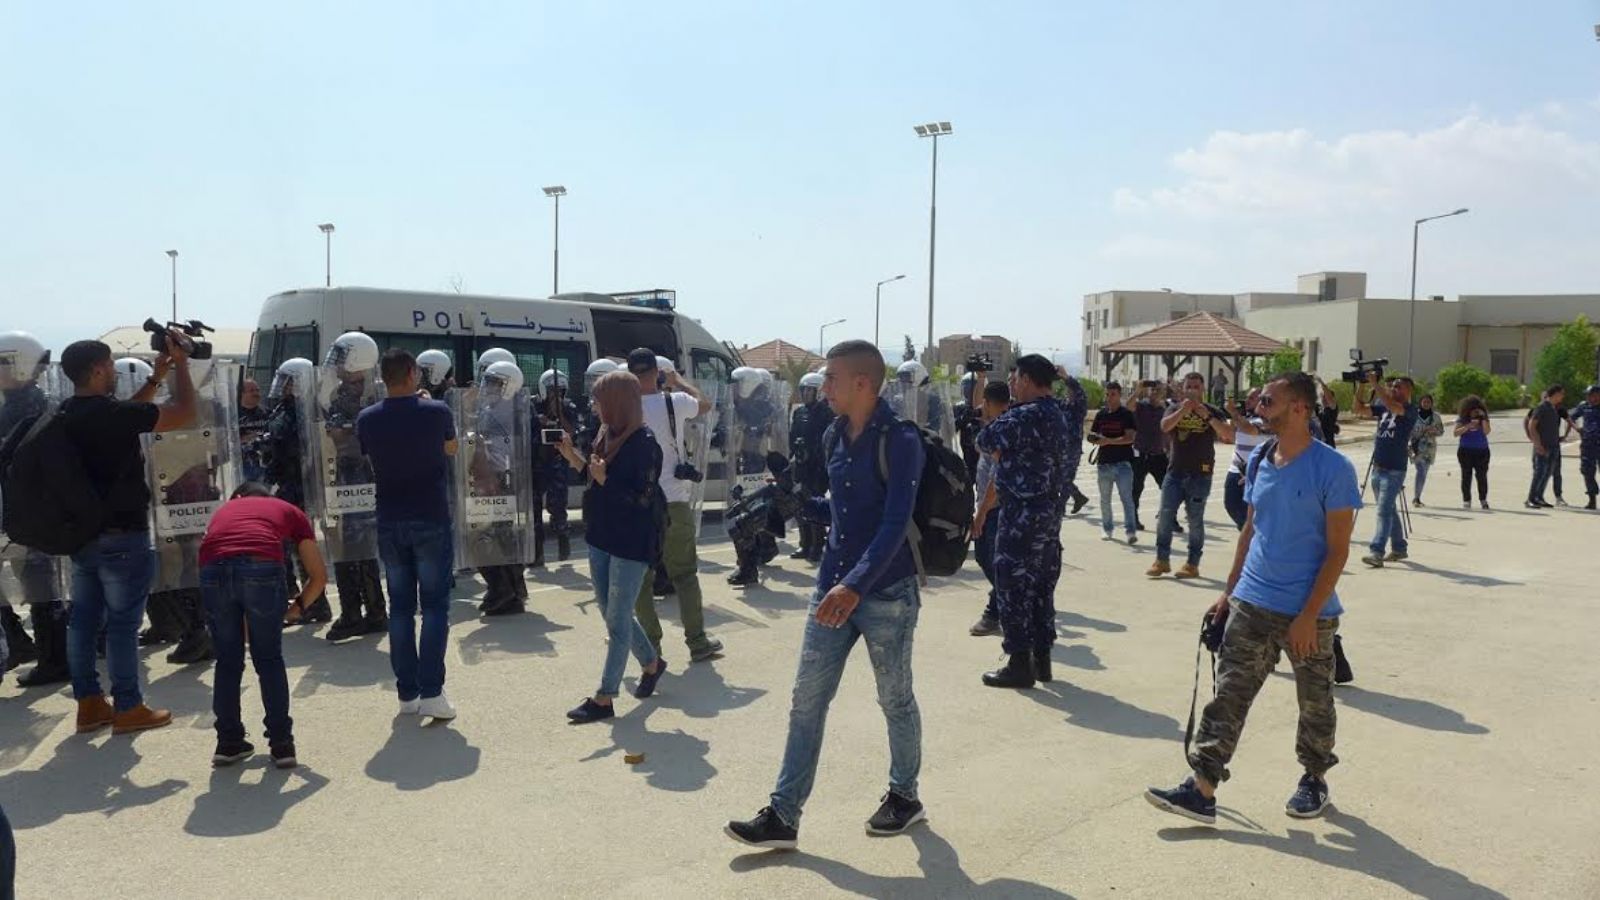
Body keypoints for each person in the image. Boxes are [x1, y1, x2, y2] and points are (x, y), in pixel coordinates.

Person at [725, 340, 926, 848]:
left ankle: (905, 796)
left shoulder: (901, 439)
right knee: (806, 701)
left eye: (832, 378)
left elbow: (894, 524)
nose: (822, 387)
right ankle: (783, 815)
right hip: (831, 588)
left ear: (863, 382)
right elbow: (838, 511)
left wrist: (854, 585)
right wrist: (787, 501)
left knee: (894, 698)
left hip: (885, 593)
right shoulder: (834, 433)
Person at [1146, 371, 1360, 826]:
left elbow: (1338, 551)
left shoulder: (1333, 469)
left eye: (1267, 402)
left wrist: (1308, 615)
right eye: (1259, 401)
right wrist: (1229, 592)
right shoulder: (1261, 457)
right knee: (1229, 696)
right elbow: (1250, 530)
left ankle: (1314, 778)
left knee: (1315, 702)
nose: (1257, 408)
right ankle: (1202, 788)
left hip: (1307, 612)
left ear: (1299, 408)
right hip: (1252, 600)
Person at [59, 336, 197, 734]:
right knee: (122, 625)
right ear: (98, 370)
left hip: (83, 536)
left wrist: (155, 378)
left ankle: (89, 705)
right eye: (110, 364)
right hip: (123, 536)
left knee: (83, 622)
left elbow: (129, 414)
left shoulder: (66, 413)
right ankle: (128, 707)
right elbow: (184, 413)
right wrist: (182, 366)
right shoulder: (113, 415)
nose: (114, 370)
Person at [556, 369, 666, 723]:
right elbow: (593, 476)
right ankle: (651, 663)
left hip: (630, 542)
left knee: (617, 622)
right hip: (600, 535)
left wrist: (606, 480)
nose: (594, 406)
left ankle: (604, 698)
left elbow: (643, 498)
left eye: (600, 400)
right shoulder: (606, 434)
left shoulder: (645, 444)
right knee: (610, 612)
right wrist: (571, 455)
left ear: (619, 403)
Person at [355, 349, 459, 720]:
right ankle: (432, 691)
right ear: (413, 373)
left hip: (389, 517)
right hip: (430, 516)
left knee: (399, 608)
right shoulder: (437, 411)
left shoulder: (367, 418)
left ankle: (407, 693)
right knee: (434, 606)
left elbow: (369, 455)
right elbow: (451, 448)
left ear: (383, 376)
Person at [198, 482, 328, 768]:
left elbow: (214, 557)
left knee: (227, 661)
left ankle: (228, 742)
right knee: (268, 659)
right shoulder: (288, 510)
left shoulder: (223, 512)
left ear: (237, 497)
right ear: (268, 497)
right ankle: (282, 744)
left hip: (213, 570)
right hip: (262, 566)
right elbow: (319, 575)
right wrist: (297, 608)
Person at [623, 349, 725, 663]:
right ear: (658, 373)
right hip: (674, 502)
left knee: (641, 581)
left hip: (637, 507)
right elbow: (705, 404)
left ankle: (651, 650)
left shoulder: (623, 407)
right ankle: (697, 641)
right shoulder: (675, 402)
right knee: (685, 576)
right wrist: (678, 381)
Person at [977, 355, 1073, 689]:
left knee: (1012, 585)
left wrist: (1007, 451)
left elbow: (985, 440)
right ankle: (1042, 660)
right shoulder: (1058, 414)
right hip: (1049, 513)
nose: (1013, 384)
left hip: (1020, 513)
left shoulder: (1023, 415)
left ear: (1028, 379)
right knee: (1041, 586)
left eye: (1016, 378)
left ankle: (1019, 663)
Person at [0, 331, 71, 688]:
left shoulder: (18, 409)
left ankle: (52, 660)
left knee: (42, 590)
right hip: (39, 511)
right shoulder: (42, 403)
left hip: (28, 513)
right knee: (43, 588)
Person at [258, 358, 332, 625]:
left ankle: (315, 604)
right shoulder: (285, 408)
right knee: (289, 548)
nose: (283, 386)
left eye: (288, 381)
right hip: (283, 484)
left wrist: (273, 446)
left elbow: (298, 449)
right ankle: (306, 601)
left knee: (301, 547)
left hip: (297, 486)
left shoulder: (307, 411)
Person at [1147, 372, 1234, 579]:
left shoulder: (1212, 411)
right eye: (1189, 386)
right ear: (1183, 389)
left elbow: (1228, 435)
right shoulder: (1175, 408)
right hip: (1175, 471)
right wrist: (1183, 410)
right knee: (1165, 516)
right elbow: (1164, 427)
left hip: (1200, 474)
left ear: (1203, 389)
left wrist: (1208, 417)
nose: (1193, 390)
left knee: (1195, 520)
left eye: (1196, 386)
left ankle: (1192, 564)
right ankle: (1162, 560)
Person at [1358, 374, 1417, 568]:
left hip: (1395, 470)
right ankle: (1399, 547)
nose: (1394, 389)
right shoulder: (1384, 407)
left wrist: (1375, 384)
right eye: (1393, 386)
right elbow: (1358, 409)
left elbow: (1393, 407)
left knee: (1383, 511)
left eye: (1399, 387)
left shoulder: (1410, 410)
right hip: (1378, 467)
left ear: (1409, 390)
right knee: (1389, 509)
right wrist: (1361, 386)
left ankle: (1377, 552)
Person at [968, 380, 1011, 637]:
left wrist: (981, 513)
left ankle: (999, 610)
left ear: (989, 403)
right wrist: (981, 376)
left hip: (996, 506)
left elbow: (998, 476)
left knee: (991, 559)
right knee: (987, 558)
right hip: (989, 505)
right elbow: (975, 404)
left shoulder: (1002, 430)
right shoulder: (995, 423)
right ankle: (1002, 607)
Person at [532, 368, 579, 567]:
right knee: (534, 508)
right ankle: (537, 553)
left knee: (558, 504)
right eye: (553, 391)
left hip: (557, 460)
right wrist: (540, 421)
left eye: (560, 391)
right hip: (537, 461)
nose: (556, 394)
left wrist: (560, 412)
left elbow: (572, 432)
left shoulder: (568, 406)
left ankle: (563, 540)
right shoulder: (533, 406)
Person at [788, 370, 832, 562]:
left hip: (818, 467)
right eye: (803, 390)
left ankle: (817, 545)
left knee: (815, 504)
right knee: (799, 505)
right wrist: (792, 454)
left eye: (809, 390)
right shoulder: (799, 412)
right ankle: (804, 544)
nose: (806, 394)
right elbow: (792, 436)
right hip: (801, 465)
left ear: (818, 392)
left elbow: (827, 440)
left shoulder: (827, 413)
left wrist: (815, 453)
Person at [1089, 381, 1138, 543]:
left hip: (1123, 464)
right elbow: (1093, 434)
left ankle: (1130, 532)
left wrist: (1108, 441)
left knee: (1127, 499)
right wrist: (1095, 439)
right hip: (1104, 463)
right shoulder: (1101, 414)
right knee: (1105, 500)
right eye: (1107, 394)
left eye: (1113, 394)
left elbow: (1130, 438)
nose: (1109, 398)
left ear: (1119, 395)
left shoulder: (1126, 414)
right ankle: (1107, 528)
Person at [1223, 389, 1270, 530]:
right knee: (1231, 504)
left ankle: (1251, 534)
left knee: (1250, 508)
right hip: (1236, 469)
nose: (1247, 401)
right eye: (1247, 398)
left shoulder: (1267, 420)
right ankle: (1247, 531)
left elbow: (1250, 430)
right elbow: (1230, 436)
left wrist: (1233, 413)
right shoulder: (1244, 418)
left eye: (1251, 398)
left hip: (1256, 472)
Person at [1130, 380, 1170, 532]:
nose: (1154, 392)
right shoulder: (1141, 406)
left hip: (1159, 454)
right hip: (1140, 454)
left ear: (1163, 393)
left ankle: (1168, 518)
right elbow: (1128, 406)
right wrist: (1137, 390)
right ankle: (1133, 519)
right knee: (1135, 489)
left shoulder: (1166, 409)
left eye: (1158, 390)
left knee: (1169, 488)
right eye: (1152, 389)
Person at [1525, 385, 1568, 509]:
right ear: (1555, 394)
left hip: (1554, 446)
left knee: (1547, 473)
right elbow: (1531, 425)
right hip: (1543, 446)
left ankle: (1539, 497)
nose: (1563, 396)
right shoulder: (1542, 407)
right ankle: (1531, 499)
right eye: (1561, 394)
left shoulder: (1553, 408)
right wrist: (1537, 444)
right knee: (1539, 473)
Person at [1058, 371, 1091, 516]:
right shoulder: (1062, 405)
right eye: (1069, 390)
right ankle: (1078, 496)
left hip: (1073, 448)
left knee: (1065, 478)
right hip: (1060, 448)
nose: (1070, 393)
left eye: (1072, 391)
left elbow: (1080, 392)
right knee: (1059, 477)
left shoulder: (1079, 408)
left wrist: (1066, 377)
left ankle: (1061, 507)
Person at [1453, 395, 1493, 510]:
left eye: (1477, 409)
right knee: (1466, 476)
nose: (1475, 412)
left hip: (1482, 450)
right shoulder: (1462, 419)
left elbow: (1487, 431)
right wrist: (1468, 426)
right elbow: (1455, 433)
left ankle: (1483, 499)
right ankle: (1467, 500)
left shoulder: (1483, 419)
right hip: (1465, 450)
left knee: (1482, 476)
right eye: (1472, 409)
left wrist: (1483, 418)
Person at [1408, 394, 1445, 506]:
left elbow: (1441, 431)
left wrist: (1434, 431)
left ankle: (1417, 496)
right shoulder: (1414, 415)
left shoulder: (1435, 417)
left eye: (1428, 402)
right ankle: (1416, 498)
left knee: (1424, 472)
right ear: (1420, 403)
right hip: (1416, 447)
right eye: (1424, 402)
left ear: (1431, 403)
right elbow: (1407, 429)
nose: (1426, 404)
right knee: (1420, 470)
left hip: (1429, 448)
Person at [1571, 385, 1600, 510]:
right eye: (1587, 395)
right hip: (1588, 444)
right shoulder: (1584, 406)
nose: (1588, 397)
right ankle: (1592, 499)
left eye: (1590, 395)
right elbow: (1571, 417)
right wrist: (1577, 428)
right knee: (1587, 471)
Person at [238, 378, 268, 483]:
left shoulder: (267, 413)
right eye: (251, 391)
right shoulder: (234, 415)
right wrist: (243, 439)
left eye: (257, 390)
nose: (256, 393)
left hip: (264, 464)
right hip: (242, 465)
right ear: (242, 394)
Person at [1314, 377, 1341, 447]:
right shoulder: (1319, 409)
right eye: (1323, 397)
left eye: (1325, 397)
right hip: (1319, 443)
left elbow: (1329, 398)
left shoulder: (1332, 408)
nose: (1324, 399)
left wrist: (1322, 383)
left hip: (1328, 444)